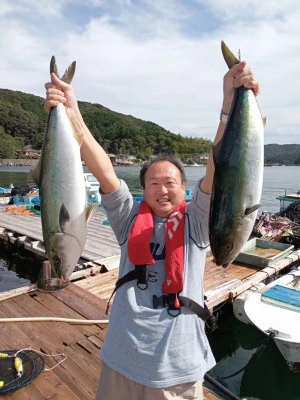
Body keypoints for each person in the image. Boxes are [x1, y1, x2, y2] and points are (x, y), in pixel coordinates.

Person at [44, 60, 259, 400]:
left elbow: (218, 165)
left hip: (178, 368)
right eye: (153, 183)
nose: (162, 190)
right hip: (121, 360)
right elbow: (103, 169)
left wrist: (229, 106)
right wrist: (70, 109)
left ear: (184, 188)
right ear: (142, 189)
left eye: (170, 183)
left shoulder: (197, 222)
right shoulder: (128, 217)